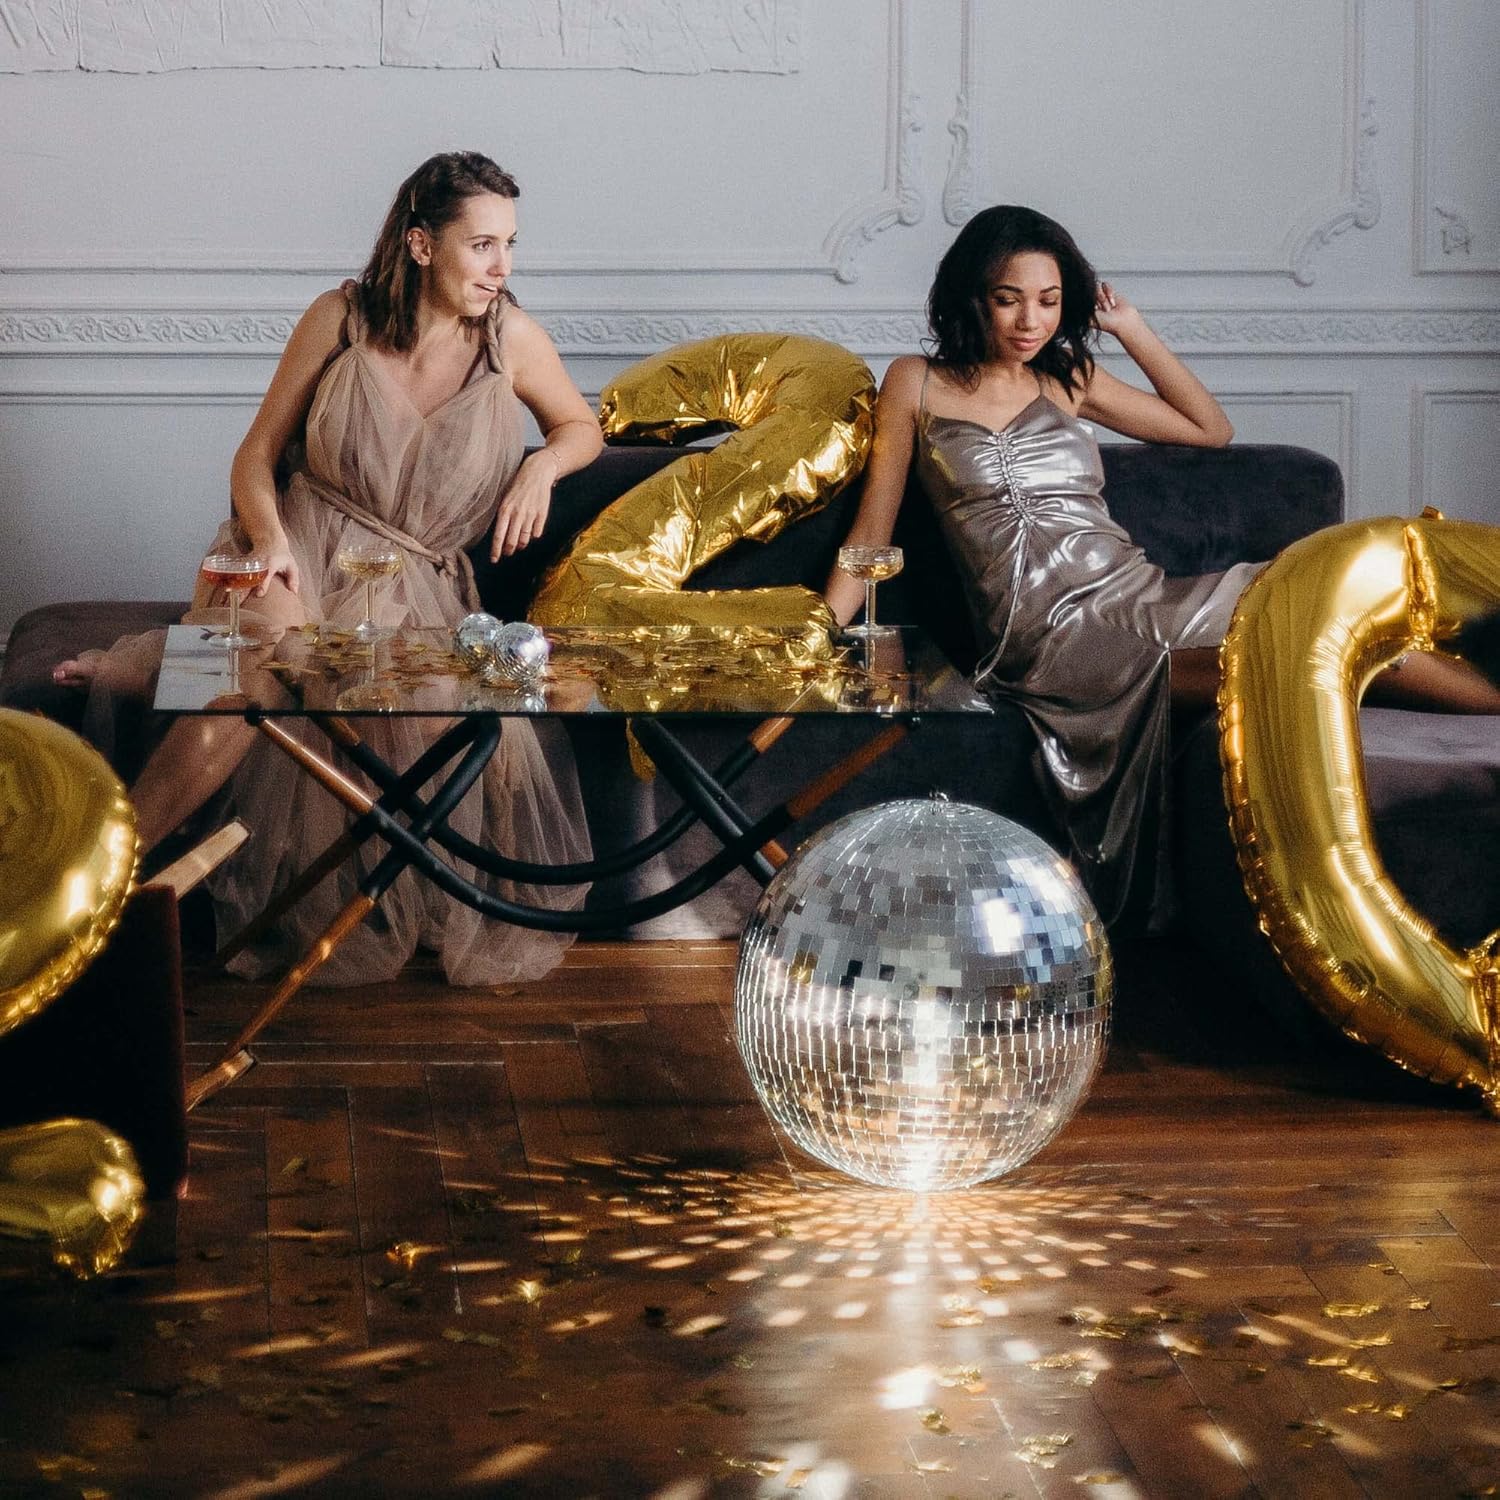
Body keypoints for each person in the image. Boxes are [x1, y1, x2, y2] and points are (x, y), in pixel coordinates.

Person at [826, 204, 1500, 923]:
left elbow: (1209, 429)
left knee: (1321, 606)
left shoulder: (1069, 377)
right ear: (971, 297)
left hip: (1142, 593)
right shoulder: (914, 382)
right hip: (1051, 640)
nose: (1030, 321)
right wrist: (817, 631)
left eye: (1049, 301)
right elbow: (872, 531)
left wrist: (1133, 329)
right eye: (1008, 299)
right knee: (1285, 655)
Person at [59, 150, 604, 985]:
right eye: (482, 245)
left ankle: (154, 665)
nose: (503, 267)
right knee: (258, 674)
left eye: (510, 245)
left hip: (413, 581)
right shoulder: (339, 319)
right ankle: (93, 889)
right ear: (421, 244)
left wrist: (543, 467)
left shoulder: (511, 341)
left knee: (408, 707)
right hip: (301, 545)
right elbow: (255, 453)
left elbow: (582, 427)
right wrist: (268, 541)